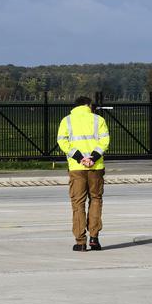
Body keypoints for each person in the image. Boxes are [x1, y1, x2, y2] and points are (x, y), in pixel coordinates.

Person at [57, 96, 110, 252]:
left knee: (78, 203)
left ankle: (80, 242)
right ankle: (94, 238)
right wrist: (93, 157)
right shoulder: (98, 120)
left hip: (76, 167)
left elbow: (62, 142)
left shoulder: (66, 121)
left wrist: (80, 158)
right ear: (88, 105)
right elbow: (104, 141)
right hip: (96, 166)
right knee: (95, 199)